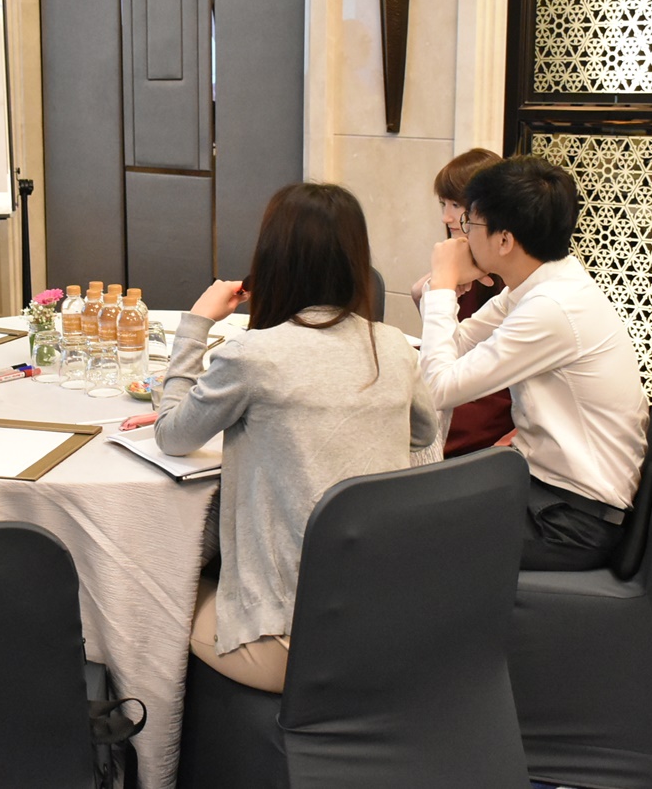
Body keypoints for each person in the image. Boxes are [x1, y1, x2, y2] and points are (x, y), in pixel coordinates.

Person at [154, 182, 440, 693]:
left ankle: (147, 740)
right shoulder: (393, 346)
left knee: (141, 586)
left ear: (271, 260)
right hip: (385, 621)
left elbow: (172, 435)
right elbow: (422, 435)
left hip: (289, 643)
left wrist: (196, 323)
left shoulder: (252, 356)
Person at [416, 155, 648, 571]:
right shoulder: (541, 283)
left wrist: (443, 284)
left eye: (470, 222)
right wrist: (442, 290)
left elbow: (437, 389)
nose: (463, 233)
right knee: (417, 502)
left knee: (407, 528)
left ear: (504, 241)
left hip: (572, 520)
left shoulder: (552, 309)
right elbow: (459, 344)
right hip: (544, 488)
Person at [411, 148, 516, 457]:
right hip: (461, 381)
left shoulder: (500, 270)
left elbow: (454, 370)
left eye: (455, 205)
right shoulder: (463, 257)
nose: (446, 217)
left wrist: (435, 288)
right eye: (443, 204)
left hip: (489, 399)